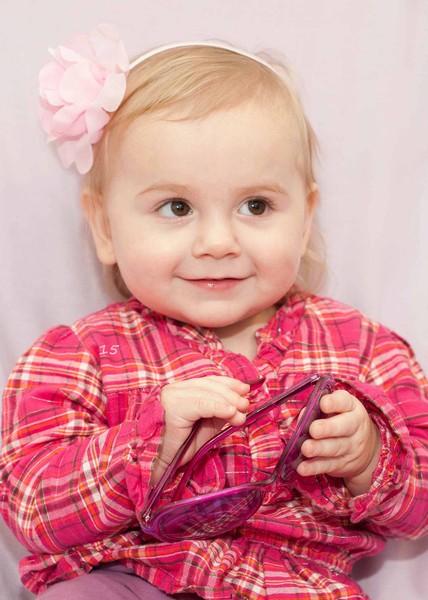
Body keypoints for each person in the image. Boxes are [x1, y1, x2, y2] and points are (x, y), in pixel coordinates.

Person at [0, 23, 427, 600]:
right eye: (177, 207)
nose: (219, 242)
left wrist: (369, 457)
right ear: (103, 226)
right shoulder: (81, 355)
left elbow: (420, 506)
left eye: (256, 205)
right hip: (132, 576)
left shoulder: (363, 347)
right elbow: (31, 507)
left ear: (305, 218)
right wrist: (147, 450)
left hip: (295, 588)